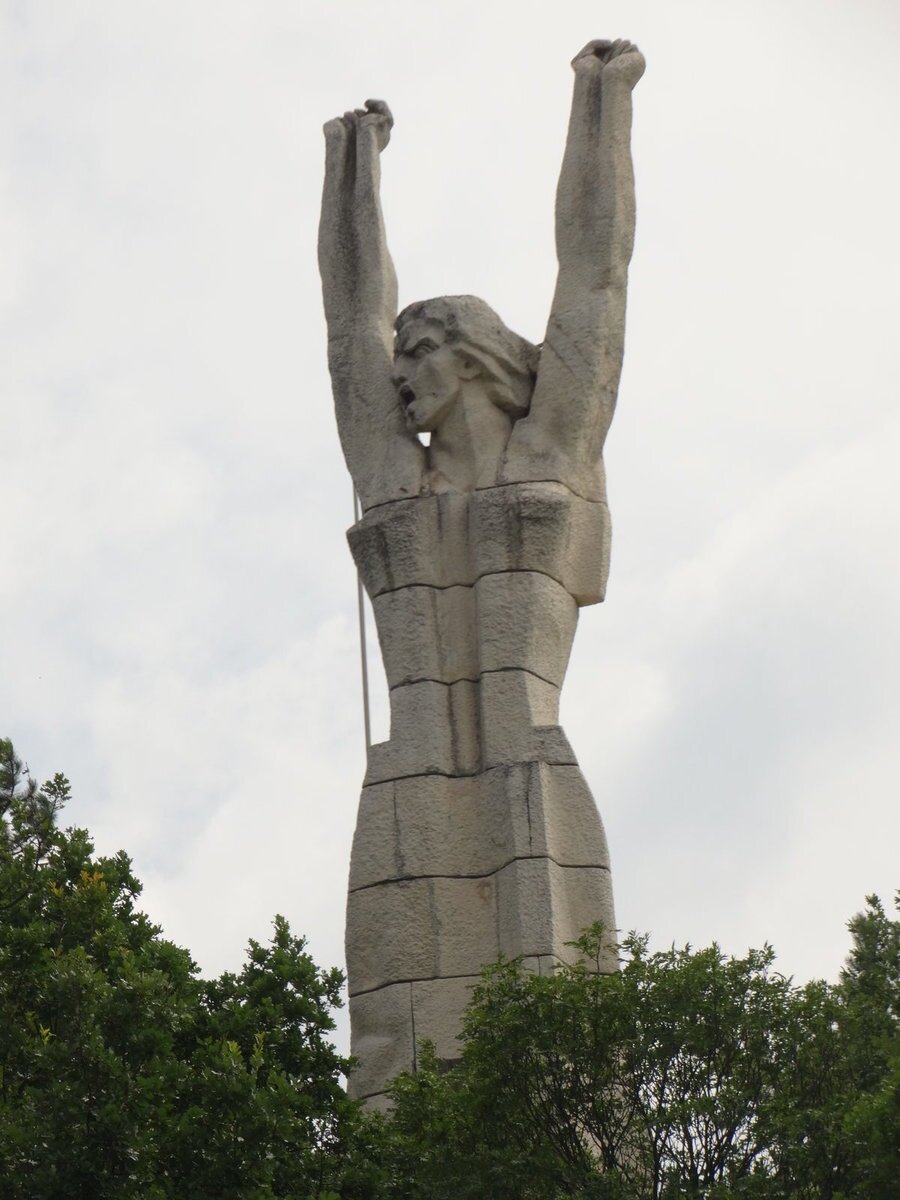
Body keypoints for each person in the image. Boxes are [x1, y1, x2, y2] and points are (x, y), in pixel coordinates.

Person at [319, 38, 645, 510]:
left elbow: (593, 273)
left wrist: (604, 92)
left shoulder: (549, 449)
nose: (397, 372)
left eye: (419, 352)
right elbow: (352, 325)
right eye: (400, 356)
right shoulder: (395, 477)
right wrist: (352, 156)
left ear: (473, 361)